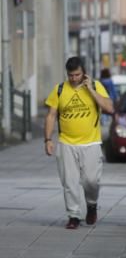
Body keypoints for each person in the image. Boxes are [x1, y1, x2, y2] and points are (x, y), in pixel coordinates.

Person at [44, 57, 115, 229]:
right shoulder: (59, 89)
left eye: (77, 75)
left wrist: (90, 89)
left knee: (92, 181)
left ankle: (91, 204)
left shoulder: (96, 86)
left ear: (84, 73)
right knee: (69, 182)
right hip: (66, 142)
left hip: (91, 143)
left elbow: (109, 108)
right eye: (71, 75)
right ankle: (73, 215)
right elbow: (51, 115)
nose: (74, 78)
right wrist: (48, 139)